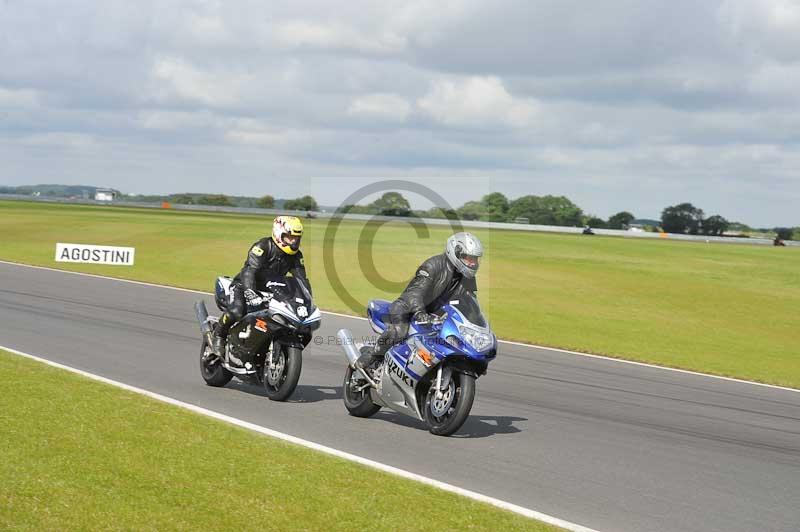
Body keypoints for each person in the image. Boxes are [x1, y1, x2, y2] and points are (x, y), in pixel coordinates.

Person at [356, 232, 483, 369]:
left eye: (475, 259)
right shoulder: (432, 266)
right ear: (455, 253)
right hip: (408, 308)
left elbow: (470, 302)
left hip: (434, 316)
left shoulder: (467, 277)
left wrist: (477, 323)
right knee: (399, 331)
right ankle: (371, 356)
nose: (472, 263)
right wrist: (419, 312)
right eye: (468, 258)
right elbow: (415, 293)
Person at [212, 216, 311, 363]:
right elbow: (249, 271)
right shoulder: (263, 246)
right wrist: (250, 292)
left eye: (296, 238)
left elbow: (301, 279)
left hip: (272, 292)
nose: (293, 241)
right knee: (237, 311)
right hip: (243, 287)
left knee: (297, 325)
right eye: (290, 237)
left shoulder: (296, 256)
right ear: (278, 234)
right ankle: (218, 335)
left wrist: (307, 300)